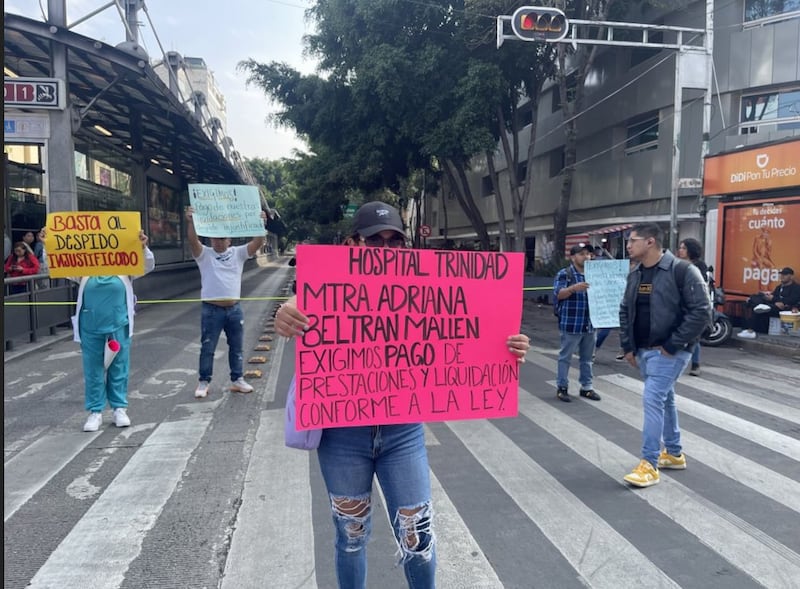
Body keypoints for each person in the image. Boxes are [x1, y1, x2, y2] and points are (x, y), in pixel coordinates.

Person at [274, 201, 531, 589]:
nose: (388, 250)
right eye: (376, 241)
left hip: (403, 435)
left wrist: (508, 348)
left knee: (419, 541)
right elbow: (297, 306)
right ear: (352, 244)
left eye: (396, 241)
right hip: (343, 438)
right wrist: (286, 312)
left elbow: (469, 324)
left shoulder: (421, 286)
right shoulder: (324, 285)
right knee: (350, 539)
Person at [619, 223, 710, 488]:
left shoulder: (682, 271)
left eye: (632, 240)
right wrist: (627, 346)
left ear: (649, 242)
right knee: (665, 398)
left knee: (653, 398)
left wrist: (673, 344)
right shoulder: (635, 274)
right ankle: (673, 452)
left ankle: (649, 464)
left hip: (669, 351)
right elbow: (625, 310)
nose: (628, 246)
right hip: (644, 350)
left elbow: (701, 312)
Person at [69, 230, 155, 432]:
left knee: (119, 368)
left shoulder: (125, 266)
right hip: (90, 327)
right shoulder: (83, 268)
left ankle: (119, 408)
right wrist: (49, 246)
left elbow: (147, 265)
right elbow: (59, 264)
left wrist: (142, 248)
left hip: (118, 325)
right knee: (93, 370)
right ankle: (95, 412)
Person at [185, 205, 266, 399]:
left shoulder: (238, 253)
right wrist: (191, 221)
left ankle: (237, 379)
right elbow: (192, 240)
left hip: (234, 309)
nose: (218, 242)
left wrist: (261, 223)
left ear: (229, 240)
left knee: (236, 346)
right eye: (215, 238)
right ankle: (204, 381)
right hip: (211, 309)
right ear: (210, 239)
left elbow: (257, 242)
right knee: (208, 347)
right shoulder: (204, 254)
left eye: (222, 239)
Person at [553, 243, 601, 402]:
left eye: (588, 254)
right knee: (565, 357)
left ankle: (586, 387)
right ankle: (562, 387)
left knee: (587, 358)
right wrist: (573, 288)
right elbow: (559, 295)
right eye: (581, 254)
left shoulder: (595, 274)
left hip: (590, 324)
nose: (586, 257)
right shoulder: (565, 274)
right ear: (573, 257)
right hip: (571, 323)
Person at [737, 267, 800, 339]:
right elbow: (774, 297)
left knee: (759, 308)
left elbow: (792, 300)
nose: (782, 276)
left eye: (785, 274)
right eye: (781, 274)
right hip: (775, 306)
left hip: (786, 309)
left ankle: (750, 331)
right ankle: (748, 328)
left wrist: (776, 299)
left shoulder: (796, 288)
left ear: (791, 276)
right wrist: (769, 297)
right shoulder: (779, 287)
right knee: (756, 303)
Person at [676, 238, 708, 376]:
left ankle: (695, 364)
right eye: (680, 248)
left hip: (694, 303)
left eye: (683, 248)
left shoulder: (699, 265)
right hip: (680, 303)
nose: (680, 251)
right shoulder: (678, 264)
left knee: (694, 336)